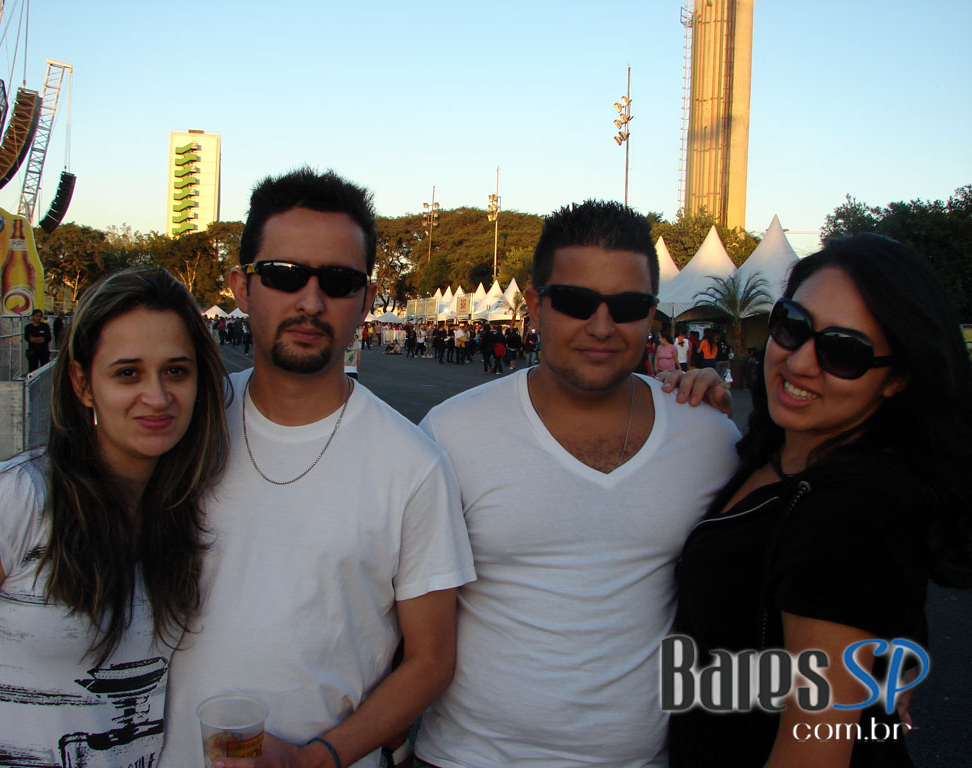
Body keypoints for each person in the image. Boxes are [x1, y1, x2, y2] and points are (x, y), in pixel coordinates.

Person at [159, 167, 474, 768]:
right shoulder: (184, 429)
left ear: (367, 299)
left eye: (337, 281)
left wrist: (317, 759)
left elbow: (432, 659)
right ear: (241, 286)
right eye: (283, 275)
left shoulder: (412, 464)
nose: (310, 300)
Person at [415, 200, 738, 768]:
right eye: (576, 301)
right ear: (536, 307)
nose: (602, 326)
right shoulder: (452, 432)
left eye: (628, 305)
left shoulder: (710, 438)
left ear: (651, 314)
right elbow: (398, 611)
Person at [669, 234, 972, 768]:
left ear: (898, 378)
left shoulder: (851, 513)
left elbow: (814, 749)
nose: (801, 361)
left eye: (844, 352)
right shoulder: (779, 453)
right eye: (793, 326)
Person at [0, 267, 229, 765]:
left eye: (176, 371)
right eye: (127, 373)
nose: (158, 397)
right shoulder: (17, 498)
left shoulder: (180, 514)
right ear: (82, 384)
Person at [24, 308, 52, 372]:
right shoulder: (28, 327)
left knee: (44, 369)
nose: (38, 318)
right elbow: (28, 338)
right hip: (33, 352)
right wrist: (40, 338)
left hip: (43, 351)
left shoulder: (45, 326)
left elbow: (47, 338)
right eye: (37, 316)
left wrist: (35, 339)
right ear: (33, 316)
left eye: (40, 316)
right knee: (32, 369)